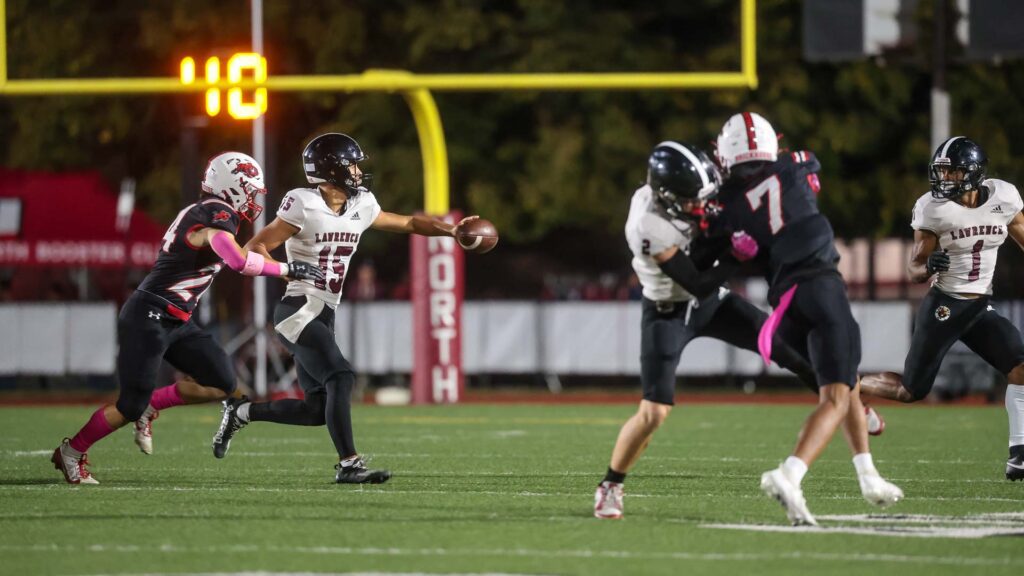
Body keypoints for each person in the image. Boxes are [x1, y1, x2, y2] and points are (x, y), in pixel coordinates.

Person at [593, 141, 885, 520]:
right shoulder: (647, 225)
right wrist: (735, 255)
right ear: (666, 195)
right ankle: (612, 484)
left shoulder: (696, 188)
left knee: (791, 351)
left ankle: (851, 405)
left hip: (714, 301)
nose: (701, 205)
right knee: (654, 412)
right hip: (669, 310)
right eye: (690, 200)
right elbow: (695, 282)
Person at [210, 132, 482, 484]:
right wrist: (286, 271)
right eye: (351, 164)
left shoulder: (362, 204)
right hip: (298, 307)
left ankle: (242, 412)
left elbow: (409, 223)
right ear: (331, 170)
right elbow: (255, 246)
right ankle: (349, 464)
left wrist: (451, 230)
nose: (357, 170)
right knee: (341, 376)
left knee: (315, 411)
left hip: (325, 311)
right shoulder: (303, 203)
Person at [51, 152, 323, 484]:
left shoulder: (211, 212)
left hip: (177, 319)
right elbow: (236, 261)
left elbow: (241, 254)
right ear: (233, 187)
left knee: (222, 383)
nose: (254, 200)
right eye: (251, 190)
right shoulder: (216, 213)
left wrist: (280, 269)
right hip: (149, 315)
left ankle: (152, 405)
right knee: (128, 406)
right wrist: (286, 268)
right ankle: (72, 451)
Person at [711, 112, 903, 525]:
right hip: (818, 283)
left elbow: (735, 241)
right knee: (835, 396)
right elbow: (808, 178)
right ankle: (789, 473)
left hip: (784, 300)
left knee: (846, 383)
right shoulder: (796, 163)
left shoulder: (727, 205)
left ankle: (868, 477)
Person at [860, 136, 1024, 481]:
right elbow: (914, 268)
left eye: (953, 172)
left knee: (1020, 365)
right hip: (945, 306)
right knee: (911, 391)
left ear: (974, 173)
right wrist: (928, 266)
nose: (945, 179)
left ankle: (1019, 456)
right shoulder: (933, 208)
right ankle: (854, 387)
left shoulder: (1004, 197)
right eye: (942, 172)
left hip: (979, 305)